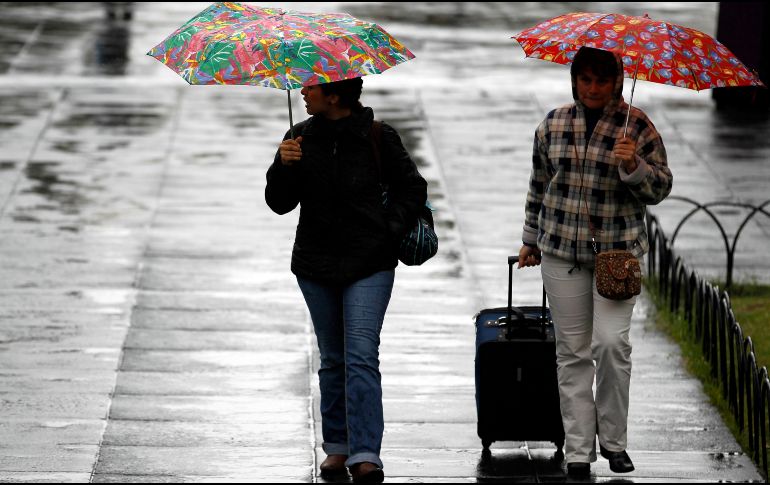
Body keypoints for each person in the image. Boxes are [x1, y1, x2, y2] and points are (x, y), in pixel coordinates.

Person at [518, 47, 673, 478]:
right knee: (572, 354)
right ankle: (579, 452)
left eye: (601, 81)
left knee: (610, 345)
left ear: (616, 83)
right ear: (574, 80)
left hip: (616, 257)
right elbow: (538, 185)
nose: (592, 88)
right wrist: (530, 239)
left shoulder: (636, 126)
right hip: (562, 252)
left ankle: (614, 442)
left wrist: (634, 166)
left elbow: (661, 187)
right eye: (585, 79)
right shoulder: (553, 123)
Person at [265, 77, 428, 484]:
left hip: (369, 263)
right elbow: (279, 204)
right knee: (333, 358)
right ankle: (337, 447)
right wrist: (282, 167)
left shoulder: (378, 136)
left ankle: (366, 452)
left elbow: (413, 189)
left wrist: (386, 230)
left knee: (360, 355)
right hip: (315, 264)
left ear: (334, 94)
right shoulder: (298, 137)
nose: (302, 92)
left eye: (311, 87)